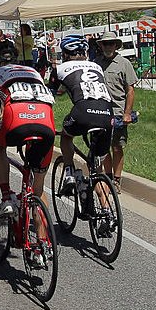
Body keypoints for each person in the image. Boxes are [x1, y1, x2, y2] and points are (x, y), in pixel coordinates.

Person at [0, 40, 55, 217]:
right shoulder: (33, 71)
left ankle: (6, 197)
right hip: (46, 120)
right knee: (37, 190)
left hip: (17, 118)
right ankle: (44, 241)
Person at [48, 34, 114, 195]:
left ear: (64, 54)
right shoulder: (96, 66)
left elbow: (50, 96)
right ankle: (107, 212)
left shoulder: (59, 69)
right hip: (107, 113)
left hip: (83, 111)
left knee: (66, 136)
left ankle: (69, 172)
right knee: (98, 170)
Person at [96, 31, 137, 192]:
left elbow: (130, 90)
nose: (108, 46)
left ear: (116, 45)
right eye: (105, 43)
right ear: (101, 46)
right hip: (100, 112)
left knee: (117, 147)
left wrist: (127, 113)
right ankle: (107, 176)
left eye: (111, 43)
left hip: (118, 112)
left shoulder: (124, 63)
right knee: (103, 148)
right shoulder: (96, 63)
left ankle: (117, 180)